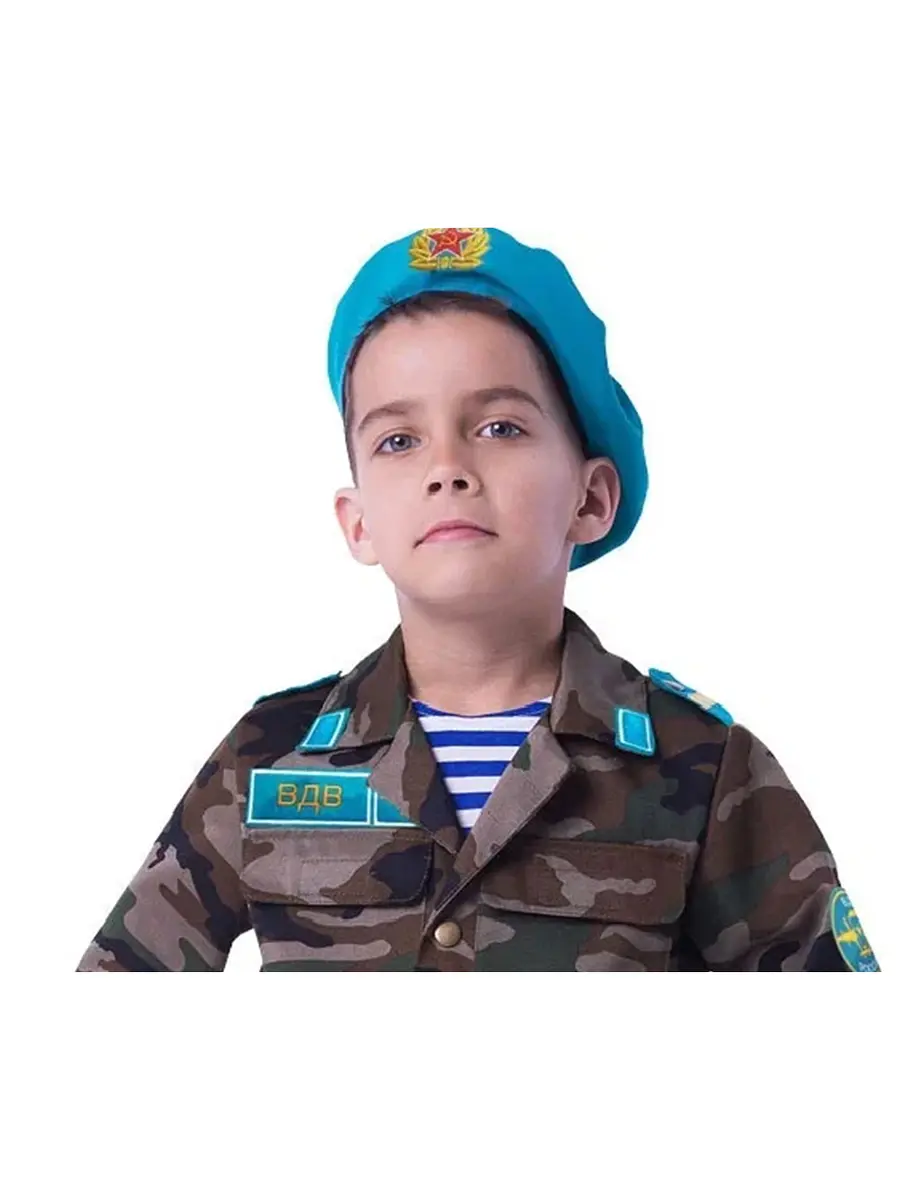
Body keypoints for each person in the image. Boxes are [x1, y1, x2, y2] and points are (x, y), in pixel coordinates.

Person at [76, 226, 879, 972]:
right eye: (399, 440)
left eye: (499, 428)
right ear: (358, 523)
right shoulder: (266, 756)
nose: (448, 469)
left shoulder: (704, 766)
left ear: (591, 498)